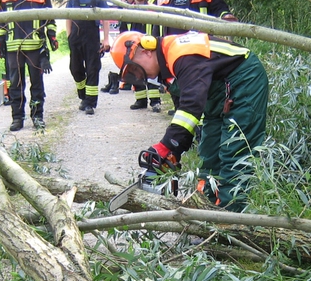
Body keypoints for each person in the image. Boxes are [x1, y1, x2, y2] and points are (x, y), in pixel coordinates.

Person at [110, 31, 268, 211]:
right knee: (209, 151)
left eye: (134, 69)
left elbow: (191, 105)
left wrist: (166, 145)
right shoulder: (167, 69)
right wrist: (175, 150)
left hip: (244, 80)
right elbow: (184, 116)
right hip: (219, 93)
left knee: (234, 152)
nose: (138, 75)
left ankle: (230, 217)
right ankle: (206, 207)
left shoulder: (181, 54)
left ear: (146, 50)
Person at [0, 0, 57, 131]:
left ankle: (37, 116)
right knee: (15, 85)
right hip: (13, 48)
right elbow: (0, 21)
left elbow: (50, 18)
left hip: (35, 47)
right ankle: (17, 118)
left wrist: (52, 37)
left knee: (37, 84)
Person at [66, 0, 111, 115]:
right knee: (75, 69)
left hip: (92, 38)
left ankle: (89, 103)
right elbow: (68, 18)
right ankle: (83, 96)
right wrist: (69, 37)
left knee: (93, 69)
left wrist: (106, 39)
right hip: (75, 38)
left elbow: (106, 18)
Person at [118, 0, 162, 112]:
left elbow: (156, 27)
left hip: (149, 46)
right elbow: (123, 30)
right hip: (133, 48)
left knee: (152, 73)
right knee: (135, 73)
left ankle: (155, 102)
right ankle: (140, 100)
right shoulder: (128, 10)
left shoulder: (152, 9)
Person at [156, 0, 237, 36]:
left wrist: (226, 16)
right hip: (169, 49)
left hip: (198, 48)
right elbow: (157, 25)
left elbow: (220, 8)